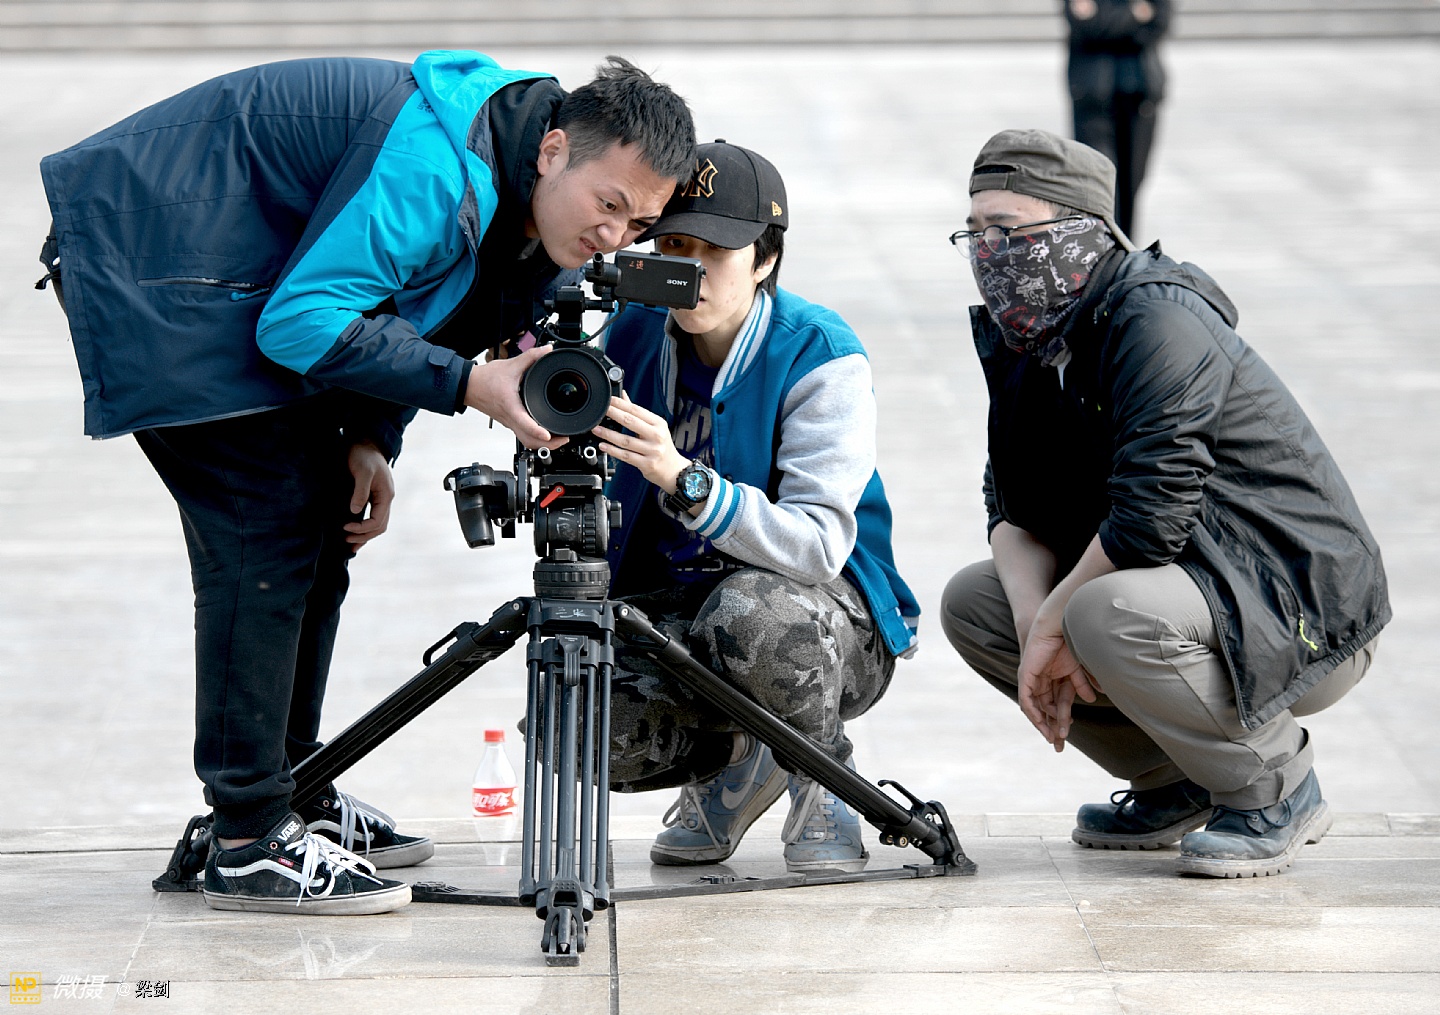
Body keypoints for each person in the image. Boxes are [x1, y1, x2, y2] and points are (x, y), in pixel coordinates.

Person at [37, 51, 694, 914]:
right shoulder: (438, 170)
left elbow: (432, 306)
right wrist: (468, 384)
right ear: (554, 149)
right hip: (159, 262)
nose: (615, 236)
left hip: (244, 271)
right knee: (264, 528)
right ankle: (247, 841)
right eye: (608, 205)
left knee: (324, 520)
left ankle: (293, 790)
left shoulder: (525, 201)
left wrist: (370, 437)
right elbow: (301, 321)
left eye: (639, 224)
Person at [940, 129, 1389, 878]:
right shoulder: (1032, 333)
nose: (989, 251)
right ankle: (1180, 780)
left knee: (1101, 610)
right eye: (974, 231)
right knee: (975, 602)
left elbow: (1151, 515)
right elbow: (1009, 495)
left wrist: (1055, 621)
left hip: (1296, 600)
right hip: (1190, 588)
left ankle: (1276, 786)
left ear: (1080, 229)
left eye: (1008, 230)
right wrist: (1029, 625)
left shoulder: (1157, 317)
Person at [589, 141, 920, 874]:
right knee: (584, 700)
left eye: (717, 251)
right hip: (683, 608)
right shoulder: (633, 329)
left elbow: (817, 546)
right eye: (675, 247)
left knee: (750, 613)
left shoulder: (818, 351)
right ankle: (739, 761)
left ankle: (821, 775)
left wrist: (685, 479)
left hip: (824, 621)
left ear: (765, 259)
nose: (693, 271)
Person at [1064, 0, 1171, 239]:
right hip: (1093, 98)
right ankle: (1103, 247)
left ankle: (1127, 248)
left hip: (1139, 94)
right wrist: (1134, 15)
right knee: (1097, 181)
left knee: (1133, 181)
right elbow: (1086, 27)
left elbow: (1160, 22)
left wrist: (1102, 19)